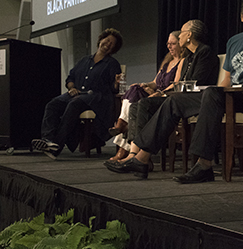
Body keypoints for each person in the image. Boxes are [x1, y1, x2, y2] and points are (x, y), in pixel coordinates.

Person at [106, 0, 243, 181]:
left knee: (213, 93)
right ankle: (142, 158)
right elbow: (227, 80)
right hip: (228, 95)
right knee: (174, 100)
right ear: (242, 17)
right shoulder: (234, 42)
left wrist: (221, 92)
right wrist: (218, 91)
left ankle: (204, 165)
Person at [105, 19, 220, 167]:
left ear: (189, 35)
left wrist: (163, 93)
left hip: (196, 99)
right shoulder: (189, 57)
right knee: (142, 103)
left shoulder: (205, 52)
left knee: (153, 104)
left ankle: (141, 157)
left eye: (181, 33)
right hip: (181, 98)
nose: (179, 38)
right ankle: (136, 154)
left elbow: (195, 82)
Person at [32, 28, 124, 159]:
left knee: (74, 104)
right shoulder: (84, 60)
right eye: (107, 40)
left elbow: (114, 89)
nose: (108, 44)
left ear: (114, 49)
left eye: (112, 44)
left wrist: (116, 83)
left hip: (96, 98)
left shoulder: (112, 64)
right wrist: (71, 88)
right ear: (101, 40)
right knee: (53, 104)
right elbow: (70, 78)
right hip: (77, 94)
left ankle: (56, 146)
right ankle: (48, 140)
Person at [108, 30, 183, 161]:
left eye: (173, 43)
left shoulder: (182, 62)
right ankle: (123, 128)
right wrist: (144, 84)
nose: (169, 46)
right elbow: (155, 82)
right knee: (135, 88)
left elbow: (175, 84)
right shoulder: (167, 62)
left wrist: (159, 93)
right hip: (153, 95)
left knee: (135, 108)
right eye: (168, 43)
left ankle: (122, 129)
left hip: (164, 97)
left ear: (180, 44)